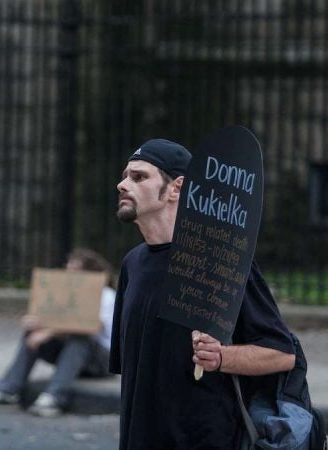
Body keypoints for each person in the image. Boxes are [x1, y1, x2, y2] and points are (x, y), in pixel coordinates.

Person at [110, 138, 296, 449]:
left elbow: (282, 354)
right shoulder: (133, 264)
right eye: (125, 175)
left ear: (176, 188)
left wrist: (222, 356)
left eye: (138, 176)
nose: (122, 184)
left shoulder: (219, 259)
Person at [0, 248, 116, 417]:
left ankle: (55, 397)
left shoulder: (106, 295)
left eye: (77, 268)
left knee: (81, 338)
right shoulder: (61, 293)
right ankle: (8, 391)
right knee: (32, 334)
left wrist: (49, 332)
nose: (70, 272)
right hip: (71, 357)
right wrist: (33, 324)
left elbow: (92, 326)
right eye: (69, 266)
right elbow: (49, 318)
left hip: (101, 360)